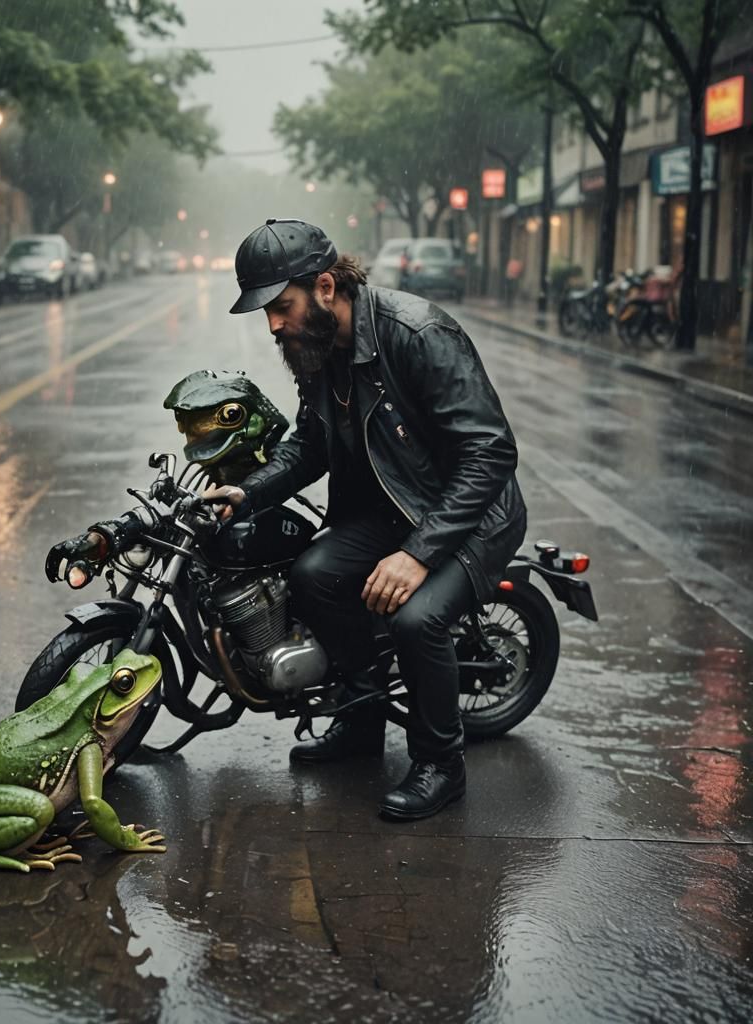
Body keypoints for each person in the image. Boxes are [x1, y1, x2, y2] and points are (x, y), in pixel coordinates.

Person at [206, 218, 527, 821]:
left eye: (281, 305)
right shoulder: (319, 347)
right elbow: (309, 445)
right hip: (396, 508)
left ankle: (440, 765)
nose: (273, 323)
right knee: (312, 577)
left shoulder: (418, 334)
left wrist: (419, 554)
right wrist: (246, 494)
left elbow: (491, 453)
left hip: (471, 513)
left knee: (415, 619)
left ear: (326, 286)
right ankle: (360, 723)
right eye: (267, 312)